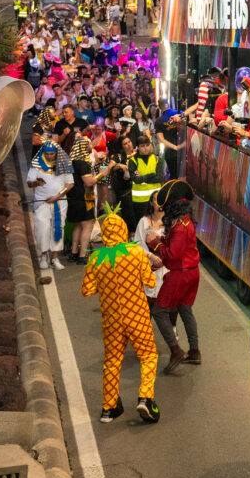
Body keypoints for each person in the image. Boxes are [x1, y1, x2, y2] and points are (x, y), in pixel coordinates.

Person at [80, 207, 160, 424]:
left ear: (104, 233)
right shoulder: (136, 253)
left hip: (112, 320)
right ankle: (145, 397)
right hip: (137, 316)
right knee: (148, 356)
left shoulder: (95, 259)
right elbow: (150, 282)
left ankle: (108, 408)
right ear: (123, 231)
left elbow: (87, 290)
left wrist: (104, 283)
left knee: (112, 361)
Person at [146, 180, 201, 373]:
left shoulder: (179, 226)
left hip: (180, 274)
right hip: (191, 273)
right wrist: (160, 239)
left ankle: (175, 350)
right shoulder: (185, 221)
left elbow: (171, 255)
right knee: (185, 310)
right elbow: (175, 244)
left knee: (159, 311)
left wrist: (154, 243)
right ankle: (194, 352)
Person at [25, 141, 73, 271]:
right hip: (42, 202)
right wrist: (36, 183)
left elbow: (70, 183)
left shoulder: (64, 163)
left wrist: (57, 196)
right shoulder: (36, 164)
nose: (49, 156)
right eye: (47, 154)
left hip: (60, 202)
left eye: (52, 154)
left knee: (58, 229)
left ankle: (55, 257)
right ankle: (43, 256)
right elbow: (29, 183)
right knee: (42, 229)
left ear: (56, 153)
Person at [67, 126, 108, 264]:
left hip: (73, 197)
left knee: (78, 225)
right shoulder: (83, 163)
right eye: (89, 144)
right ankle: (82, 255)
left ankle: (74, 252)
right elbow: (89, 182)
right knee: (88, 225)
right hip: (84, 198)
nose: (92, 146)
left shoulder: (72, 161)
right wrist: (102, 174)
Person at [127, 136, 163, 235]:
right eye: (142, 146)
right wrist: (151, 175)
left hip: (156, 199)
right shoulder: (133, 161)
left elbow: (159, 178)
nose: (146, 148)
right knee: (142, 227)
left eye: (147, 145)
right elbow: (136, 180)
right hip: (140, 200)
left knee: (157, 226)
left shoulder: (157, 159)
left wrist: (143, 177)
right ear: (138, 147)